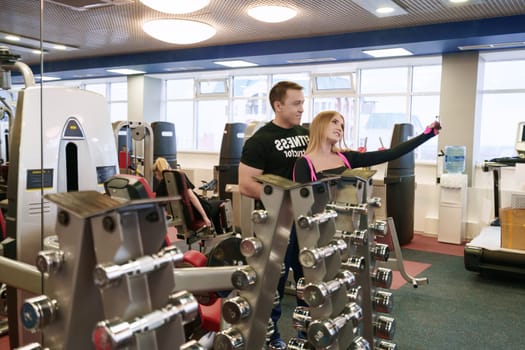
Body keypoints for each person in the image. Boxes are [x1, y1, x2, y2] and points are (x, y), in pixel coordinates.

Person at [238, 81, 309, 349]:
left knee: (309, 283)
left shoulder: (306, 134)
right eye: (296, 103)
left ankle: (307, 336)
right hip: (275, 225)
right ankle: (270, 339)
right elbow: (246, 184)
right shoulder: (261, 141)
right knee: (272, 289)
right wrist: (287, 201)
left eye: (302, 102)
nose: (302, 108)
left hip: (306, 224)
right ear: (278, 106)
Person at [293, 110, 441, 183]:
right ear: (320, 125)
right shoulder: (304, 163)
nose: (340, 128)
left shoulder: (346, 157)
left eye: (342, 125)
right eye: (334, 122)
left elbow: (392, 153)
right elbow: (300, 204)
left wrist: (426, 135)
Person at [153, 157, 223, 232]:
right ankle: (220, 232)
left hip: (186, 214)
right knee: (223, 202)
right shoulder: (178, 175)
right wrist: (205, 217)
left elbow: (160, 204)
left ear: (158, 172)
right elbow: (192, 197)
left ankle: (217, 232)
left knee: (214, 204)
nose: (155, 177)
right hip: (199, 210)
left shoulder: (161, 187)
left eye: (155, 175)